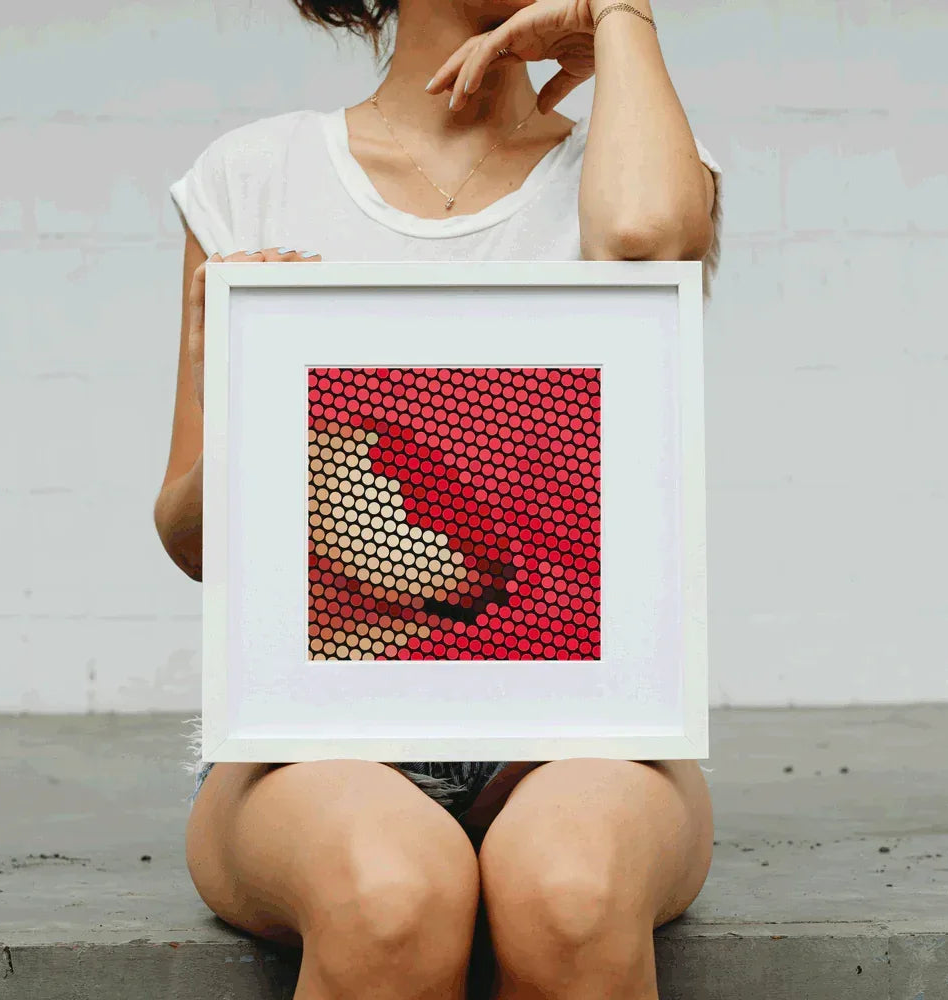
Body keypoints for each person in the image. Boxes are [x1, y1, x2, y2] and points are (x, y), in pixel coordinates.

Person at [154, 0, 721, 996]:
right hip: (312, 740)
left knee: (572, 893)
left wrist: (618, 14)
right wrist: (243, 410)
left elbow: (644, 237)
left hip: (584, 729)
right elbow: (192, 541)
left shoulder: (637, 165)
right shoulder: (254, 175)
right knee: (390, 895)